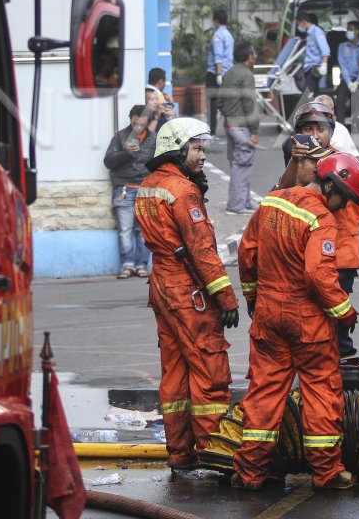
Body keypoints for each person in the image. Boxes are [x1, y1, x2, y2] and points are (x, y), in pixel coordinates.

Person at [233, 152, 359, 491]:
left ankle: (249, 473)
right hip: (307, 322)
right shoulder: (321, 217)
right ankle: (327, 473)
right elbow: (317, 274)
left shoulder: (272, 202)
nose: (341, 206)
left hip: (267, 316)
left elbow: (247, 253)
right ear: (332, 187)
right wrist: (344, 312)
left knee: (264, 391)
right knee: (321, 390)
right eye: (344, 199)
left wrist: (252, 297)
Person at [134, 117, 240, 471]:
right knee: (209, 369)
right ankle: (214, 452)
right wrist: (226, 297)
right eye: (196, 149)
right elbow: (202, 249)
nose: (203, 156)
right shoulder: (183, 191)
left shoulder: (150, 185)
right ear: (177, 150)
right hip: (187, 290)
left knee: (175, 373)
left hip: (161, 285)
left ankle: (180, 453)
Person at [293, 100, 359, 356]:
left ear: (330, 131)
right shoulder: (299, 163)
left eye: (319, 129)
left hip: (339, 255)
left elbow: (346, 208)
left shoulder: (340, 164)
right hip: (311, 253)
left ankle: (341, 370)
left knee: (334, 321)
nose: (313, 136)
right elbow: (282, 195)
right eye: (307, 130)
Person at [103, 105, 156, 278]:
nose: (137, 127)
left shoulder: (154, 139)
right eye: (134, 122)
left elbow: (162, 165)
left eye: (141, 123)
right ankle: (127, 265)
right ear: (131, 119)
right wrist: (125, 153)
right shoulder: (120, 137)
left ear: (148, 122)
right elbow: (108, 162)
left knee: (144, 230)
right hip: (124, 188)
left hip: (146, 190)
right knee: (125, 229)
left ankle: (142, 265)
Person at [219, 41, 260, 215]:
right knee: (242, 165)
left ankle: (245, 201)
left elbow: (220, 101)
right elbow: (249, 104)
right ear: (250, 57)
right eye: (254, 54)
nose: (256, 57)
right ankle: (236, 205)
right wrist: (255, 131)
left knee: (239, 164)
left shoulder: (228, 73)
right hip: (242, 127)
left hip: (229, 124)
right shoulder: (247, 75)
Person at [206, 8, 234, 132]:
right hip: (228, 71)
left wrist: (218, 74)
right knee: (226, 101)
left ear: (216, 20)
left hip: (215, 72)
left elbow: (218, 56)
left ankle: (212, 130)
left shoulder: (217, 35)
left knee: (212, 103)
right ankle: (233, 126)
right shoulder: (228, 34)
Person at [334, 20, 359, 123]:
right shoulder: (342, 46)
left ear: (357, 31)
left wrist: (358, 81)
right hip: (347, 79)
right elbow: (343, 66)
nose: (348, 32)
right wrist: (349, 82)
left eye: (351, 30)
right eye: (348, 30)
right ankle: (340, 124)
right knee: (340, 96)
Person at [314, 94, 359, 158]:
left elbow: (353, 157)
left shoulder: (341, 129)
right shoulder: (307, 128)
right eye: (317, 110)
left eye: (323, 109)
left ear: (332, 111)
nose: (320, 113)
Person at [296, 12, 330, 96]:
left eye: (299, 24)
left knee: (307, 93)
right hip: (309, 67)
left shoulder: (317, 32)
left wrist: (324, 64)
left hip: (315, 67)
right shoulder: (309, 33)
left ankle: (308, 108)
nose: (299, 27)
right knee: (314, 92)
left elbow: (325, 49)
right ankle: (318, 108)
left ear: (304, 22)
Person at [147, 67, 176, 131]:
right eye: (165, 82)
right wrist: (171, 102)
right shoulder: (158, 95)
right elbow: (169, 116)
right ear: (160, 82)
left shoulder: (146, 90)